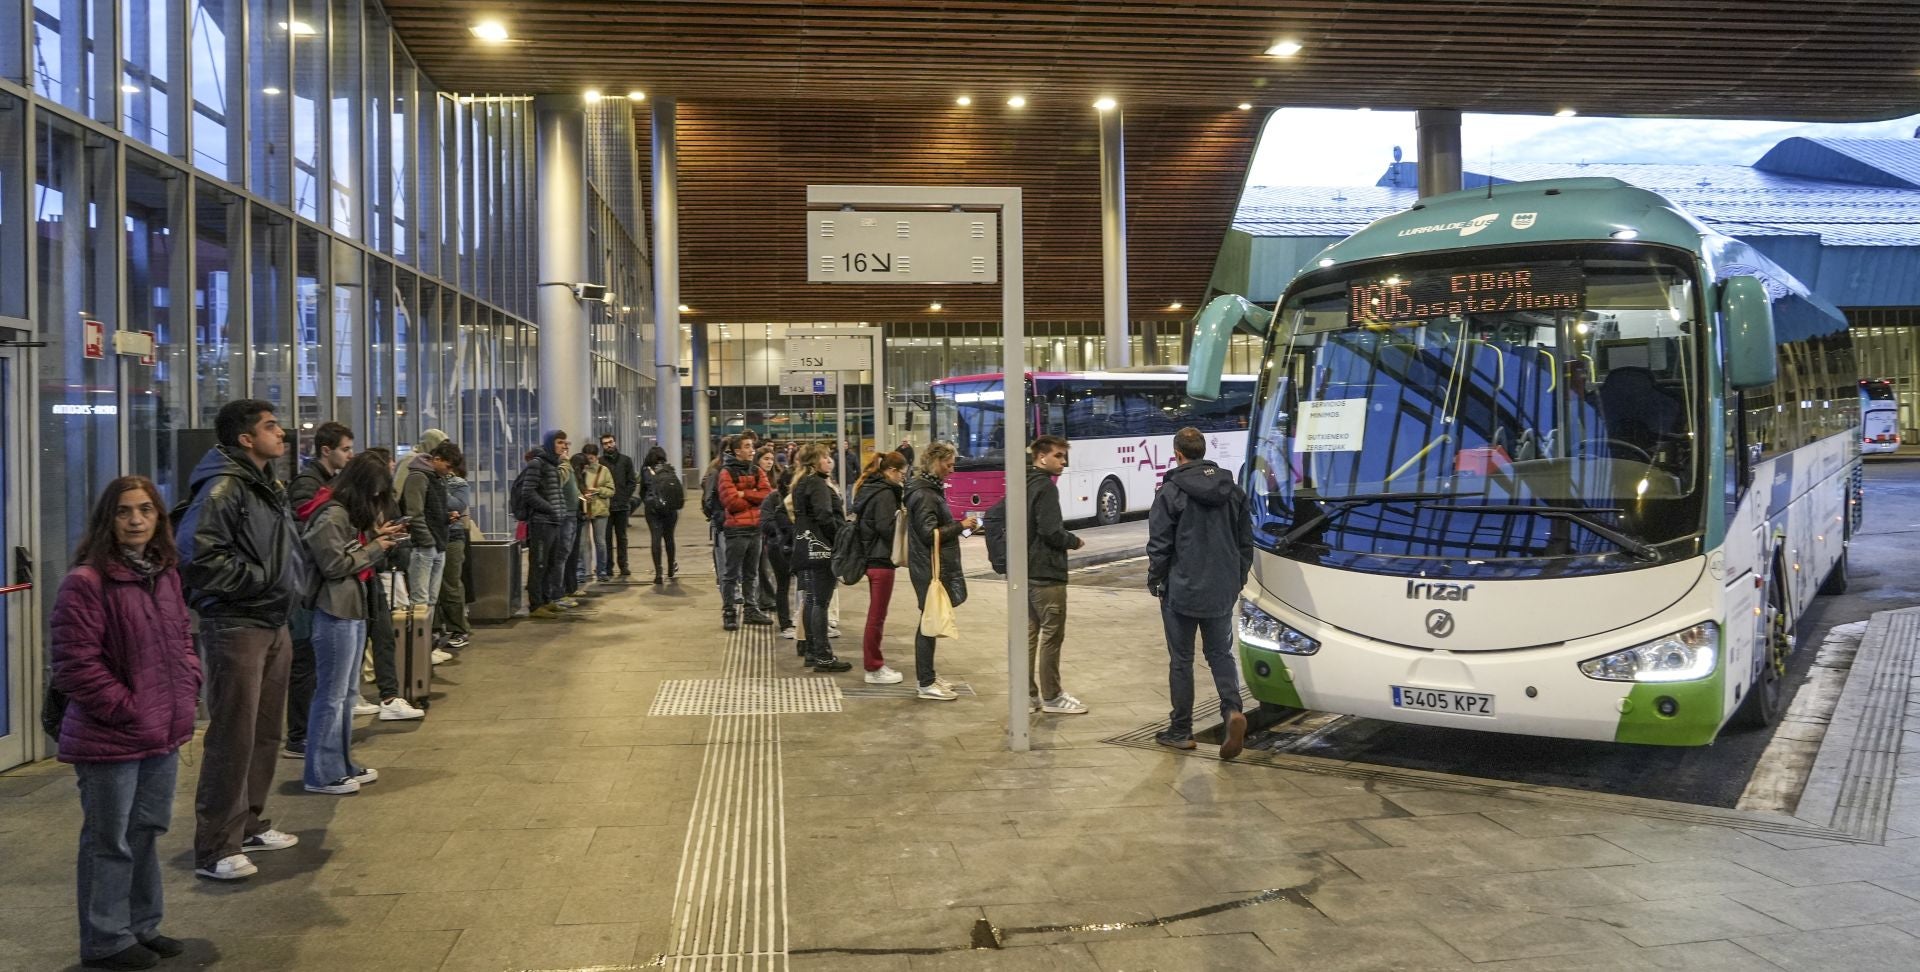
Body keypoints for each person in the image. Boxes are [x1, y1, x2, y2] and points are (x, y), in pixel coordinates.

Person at [51, 476, 201, 970]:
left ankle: (142, 925)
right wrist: (126, 708)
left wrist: (188, 684)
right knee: (108, 839)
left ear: (159, 517)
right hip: (111, 734)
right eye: (123, 511)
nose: (135, 520)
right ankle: (105, 939)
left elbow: (181, 639)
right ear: (107, 520)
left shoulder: (164, 574)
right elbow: (75, 666)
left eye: (145, 510)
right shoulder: (87, 582)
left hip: (163, 728)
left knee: (146, 830)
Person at [175, 399, 302, 881]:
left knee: (266, 731)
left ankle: (248, 823)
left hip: (272, 621)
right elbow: (198, 555)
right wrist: (260, 581)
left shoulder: (266, 486)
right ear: (246, 438)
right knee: (232, 736)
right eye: (271, 427)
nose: (281, 433)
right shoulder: (225, 486)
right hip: (237, 624)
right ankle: (214, 847)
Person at [300, 453, 408, 795]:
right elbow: (334, 564)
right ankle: (322, 772)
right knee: (331, 696)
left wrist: (374, 537)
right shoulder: (331, 515)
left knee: (346, 695)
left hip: (350, 608)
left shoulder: (342, 515)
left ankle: (341, 764)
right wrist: (375, 546)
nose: (378, 501)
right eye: (375, 494)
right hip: (334, 610)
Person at [1147, 427, 1256, 759]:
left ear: (1178, 454)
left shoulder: (1170, 492)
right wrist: (1234, 580)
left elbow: (1160, 545)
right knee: (1220, 654)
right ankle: (1232, 711)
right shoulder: (1233, 490)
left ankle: (1181, 730)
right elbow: (1245, 544)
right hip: (1221, 589)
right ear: (1203, 451)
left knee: (1182, 661)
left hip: (1181, 589)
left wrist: (1157, 581)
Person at [283, 421, 360, 760]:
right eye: (345, 448)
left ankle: (311, 737)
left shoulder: (328, 483)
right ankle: (299, 735)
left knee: (321, 672)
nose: (350, 454)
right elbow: (311, 532)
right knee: (306, 664)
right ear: (326, 450)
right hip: (308, 587)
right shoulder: (308, 484)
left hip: (317, 584)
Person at [905, 442, 978, 700]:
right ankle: (925, 683)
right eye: (948, 462)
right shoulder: (925, 494)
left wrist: (965, 528)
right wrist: (960, 526)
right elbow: (928, 534)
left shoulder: (928, 489)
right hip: (929, 567)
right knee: (929, 621)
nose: (952, 468)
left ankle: (929, 677)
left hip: (928, 565)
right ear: (934, 461)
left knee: (930, 620)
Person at [1027, 435, 1088, 715]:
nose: (1063, 462)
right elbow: (1050, 531)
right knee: (1052, 636)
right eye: (1058, 456)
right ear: (1042, 457)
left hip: (1026, 571)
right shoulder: (1046, 488)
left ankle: (1027, 695)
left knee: (1030, 635)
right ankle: (1052, 696)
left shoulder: (1025, 482)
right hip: (1047, 573)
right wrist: (1072, 541)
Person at [788, 443, 852, 672]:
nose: (829, 461)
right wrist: (839, 539)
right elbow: (825, 516)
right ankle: (824, 656)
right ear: (814, 462)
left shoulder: (800, 483)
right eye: (825, 458)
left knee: (812, 600)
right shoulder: (817, 484)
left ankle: (813, 652)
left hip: (804, 547)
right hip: (820, 549)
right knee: (820, 603)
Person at [850, 452, 909, 684]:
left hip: (870, 557)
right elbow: (887, 528)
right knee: (877, 616)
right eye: (902, 475)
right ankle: (873, 667)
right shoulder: (885, 493)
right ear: (892, 471)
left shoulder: (869, 488)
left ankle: (873, 665)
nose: (903, 480)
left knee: (876, 615)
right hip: (881, 559)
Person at [398, 429, 453, 663]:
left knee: (430, 599)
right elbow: (413, 511)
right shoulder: (416, 472)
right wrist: (428, 540)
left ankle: (426, 647)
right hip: (425, 545)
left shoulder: (434, 477)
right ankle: (418, 651)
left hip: (435, 542)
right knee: (420, 600)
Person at [717, 433, 774, 631]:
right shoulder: (726, 472)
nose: (752, 450)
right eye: (748, 446)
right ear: (737, 450)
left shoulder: (756, 470)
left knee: (752, 573)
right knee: (731, 574)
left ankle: (751, 609)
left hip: (755, 529)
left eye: (752, 446)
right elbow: (731, 502)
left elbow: (767, 495)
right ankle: (729, 612)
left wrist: (745, 493)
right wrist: (753, 498)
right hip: (736, 530)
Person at [518, 430, 572, 619]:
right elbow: (528, 492)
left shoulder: (552, 464)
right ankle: (536, 604)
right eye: (559, 442)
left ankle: (547, 600)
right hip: (541, 523)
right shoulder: (537, 464)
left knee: (550, 563)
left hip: (554, 521)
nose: (564, 446)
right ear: (550, 443)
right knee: (538, 564)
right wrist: (549, 508)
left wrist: (559, 511)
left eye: (565, 442)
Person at [436, 443, 474, 651]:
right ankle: (438, 628)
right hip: (435, 536)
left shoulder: (458, 483)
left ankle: (459, 629)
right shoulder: (427, 479)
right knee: (437, 587)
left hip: (453, 536)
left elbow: (458, 505)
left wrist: (438, 489)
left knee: (451, 584)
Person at [760, 465, 797, 642]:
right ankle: (785, 623)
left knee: (805, 587)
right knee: (783, 585)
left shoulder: (803, 497)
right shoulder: (773, 498)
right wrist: (785, 532)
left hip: (799, 547)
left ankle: (801, 620)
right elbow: (766, 524)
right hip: (779, 548)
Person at [638, 444, 680, 584]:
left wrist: (648, 501)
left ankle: (658, 573)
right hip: (670, 510)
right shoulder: (669, 469)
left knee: (655, 539)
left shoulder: (645, 471)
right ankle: (671, 568)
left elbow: (642, 492)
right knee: (669, 538)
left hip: (653, 510)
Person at [599, 433, 639, 577]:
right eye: (605, 443)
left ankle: (623, 565)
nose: (609, 445)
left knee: (622, 538)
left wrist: (624, 498)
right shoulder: (600, 462)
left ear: (615, 443)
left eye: (610, 442)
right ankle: (608, 567)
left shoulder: (626, 460)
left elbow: (632, 482)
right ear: (602, 446)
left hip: (622, 506)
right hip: (606, 507)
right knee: (606, 538)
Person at [700, 439, 734, 597]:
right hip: (721, 522)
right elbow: (708, 498)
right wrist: (716, 515)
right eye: (727, 452)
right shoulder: (715, 470)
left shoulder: (739, 470)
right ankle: (727, 595)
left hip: (736, 521)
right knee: (723, 561)